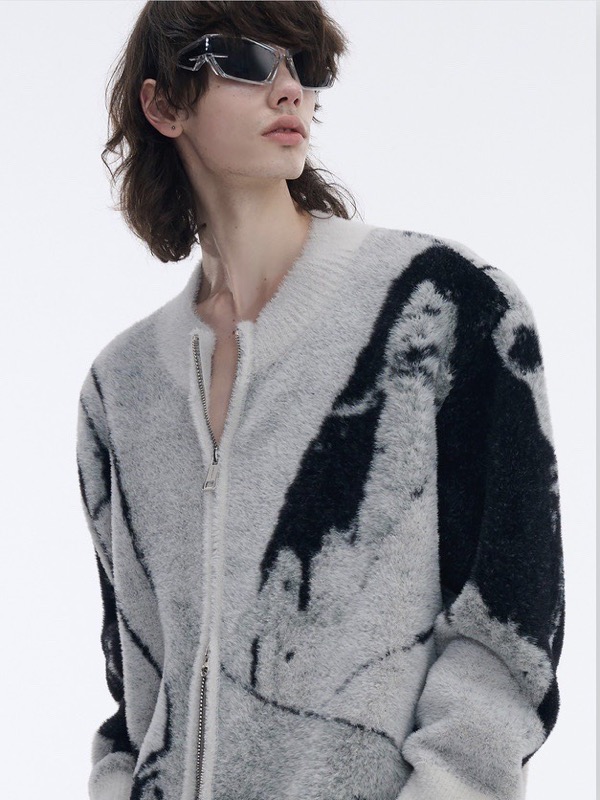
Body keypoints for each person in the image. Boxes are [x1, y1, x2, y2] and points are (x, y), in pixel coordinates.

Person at [76, 2, 565, 799]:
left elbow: (508, 622)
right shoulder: (119, 389)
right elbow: (137, 683)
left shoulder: (443, 306)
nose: (288, 90)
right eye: (244, 60)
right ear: (163, 105)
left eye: (302, 65)